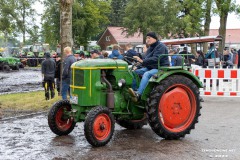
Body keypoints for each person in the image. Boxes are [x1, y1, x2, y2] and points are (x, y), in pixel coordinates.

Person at [128, 32, 169, 102]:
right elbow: (146, 59)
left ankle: (139, 94)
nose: (147, 40)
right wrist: (138, 66)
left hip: (160, 68)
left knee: (147, 74)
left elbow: (156, 58)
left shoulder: (161, 46)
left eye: (149, 38)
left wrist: (142, 61)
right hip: (151, 67)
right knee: (134, 72)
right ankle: (134, 90)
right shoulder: (150, 47)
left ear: (155, 38)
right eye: (146, 38)